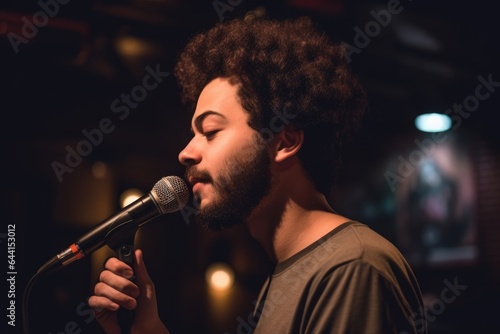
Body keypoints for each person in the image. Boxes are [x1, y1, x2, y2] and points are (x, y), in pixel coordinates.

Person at [88, 16, 427, 334]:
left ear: (284, 142)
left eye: (210, 130)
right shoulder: (285, 275)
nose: (186, 152)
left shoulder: (352, 268)